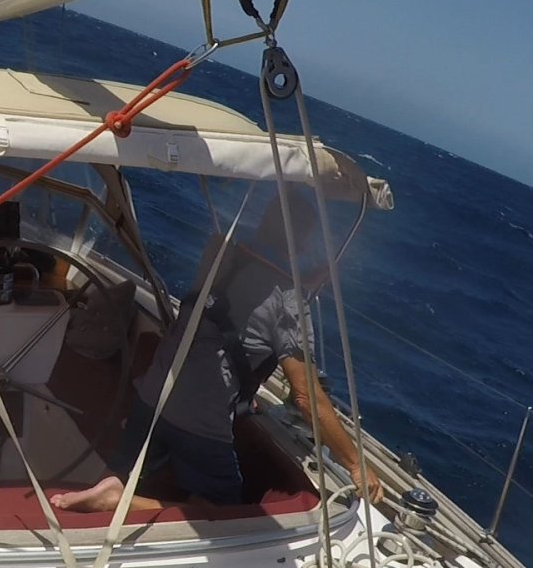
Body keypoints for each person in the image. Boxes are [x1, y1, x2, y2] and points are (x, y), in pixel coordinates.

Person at [52, 186, 383, 513]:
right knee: (222, 510)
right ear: (303, 242)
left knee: (132, 465)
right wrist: (356, 465)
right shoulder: (289, 301)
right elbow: (304, 396)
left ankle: (113, 485)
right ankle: (117, 501)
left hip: (152, 394)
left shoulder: (221, 253)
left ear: (266, 220)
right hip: (198, 423)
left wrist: (301, 277)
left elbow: (256, 280)